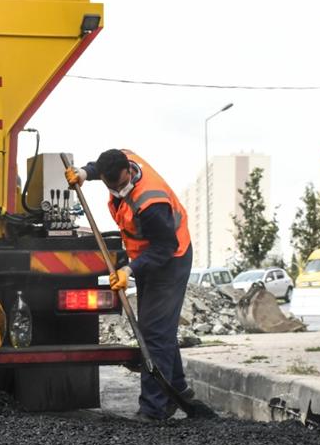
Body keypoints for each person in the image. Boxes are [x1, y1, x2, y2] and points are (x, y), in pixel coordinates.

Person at [66, 148, 214, 421]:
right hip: (148, 257)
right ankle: (177, 391)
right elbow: (102, 167)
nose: (119, 190)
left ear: (128, 172)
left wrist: (129, 269)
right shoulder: (119, 159)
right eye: (113, 186)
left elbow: (165, 246)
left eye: (122, 184)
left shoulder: (151, 202)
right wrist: (85, 173)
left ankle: (153, 409)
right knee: (159, 329)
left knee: (154, 333)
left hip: (170, 260)